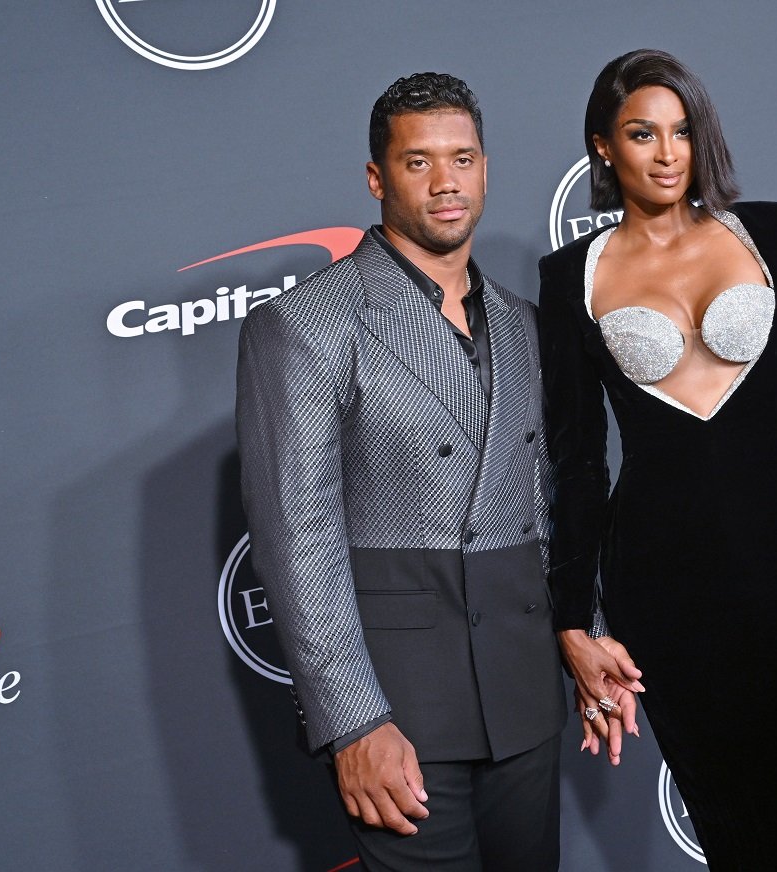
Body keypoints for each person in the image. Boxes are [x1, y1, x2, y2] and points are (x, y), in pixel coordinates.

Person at [538, 49, 777, 870]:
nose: (667, 153)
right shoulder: (570, 279)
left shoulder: (767, 231)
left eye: (682, 131)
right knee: (733, 828)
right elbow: (579, 464)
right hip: (665, 585)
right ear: (603, 147)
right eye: (641, 134)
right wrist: (571, 619)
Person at [236, 72, 567, 871]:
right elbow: (296, 534)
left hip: (525, 694)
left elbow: (543, 509)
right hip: (400, 709)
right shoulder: (308, 323)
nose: (446, 182)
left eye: (463, 158)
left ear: (486, 167)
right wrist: (352, 721)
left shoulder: (525, 325)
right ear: (377, 178)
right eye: (418, 163)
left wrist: (577, 639)